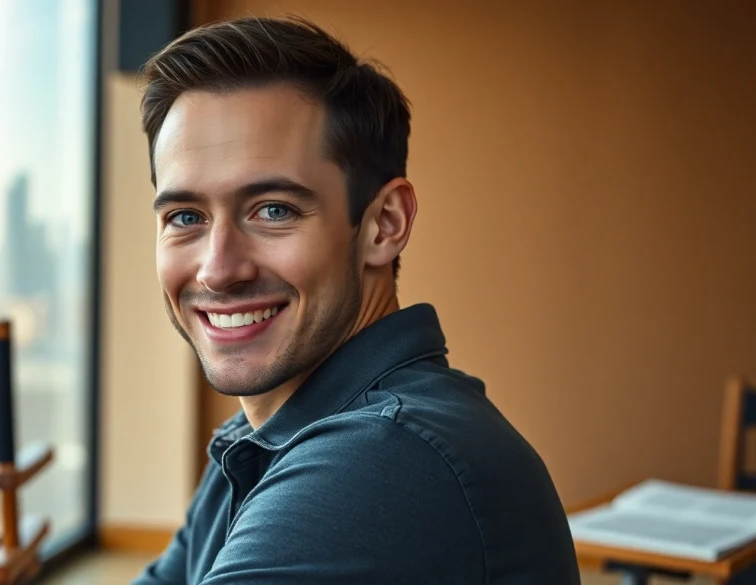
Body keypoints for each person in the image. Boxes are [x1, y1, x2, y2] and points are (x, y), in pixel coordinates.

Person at [132, 15, 580, 585]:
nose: (218, 270)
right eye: (185, 217)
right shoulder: (257, 436)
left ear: (383, 224)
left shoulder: (382, 460)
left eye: (274, 210)